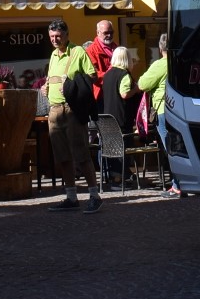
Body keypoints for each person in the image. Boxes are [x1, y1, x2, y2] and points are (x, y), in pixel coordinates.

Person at [44, 19, 101, 213]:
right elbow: (53, 78)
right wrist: (47, 86)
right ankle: (71, 197)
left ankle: (94, 195)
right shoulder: (53, 55)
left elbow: (92, 76)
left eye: (58, 36)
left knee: (81, 154)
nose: (55, 39)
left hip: (72, 110)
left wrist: (72, 85)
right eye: (52, 36)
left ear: (67, 35)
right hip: (54, 110)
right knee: (62, 157)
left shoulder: (78, 52)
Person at [138, 33, 180, 197]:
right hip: (180, 110)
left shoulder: (160, 64)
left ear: (160, 48)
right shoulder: (179, 63)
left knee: (170, 149)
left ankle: (177, 186)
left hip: (163, 110)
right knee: (180, 148)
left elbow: (143, 83)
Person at [98, 45, 137, 190]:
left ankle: (116, 178)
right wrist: (136, 89)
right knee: (123, 148)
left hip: (108, 118)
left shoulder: (107, 75)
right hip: (121, 119)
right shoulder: (124, 74)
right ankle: (120, 179)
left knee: (112, 149)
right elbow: (124, 93)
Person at [83, 20, 116, 99]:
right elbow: (94, 74)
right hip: (101, 93)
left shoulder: (117, 48)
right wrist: (115, 77)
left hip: (116, 90)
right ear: (98, 33)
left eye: (111, 32)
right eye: (106, 33)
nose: (109, 35)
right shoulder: (91, 51)